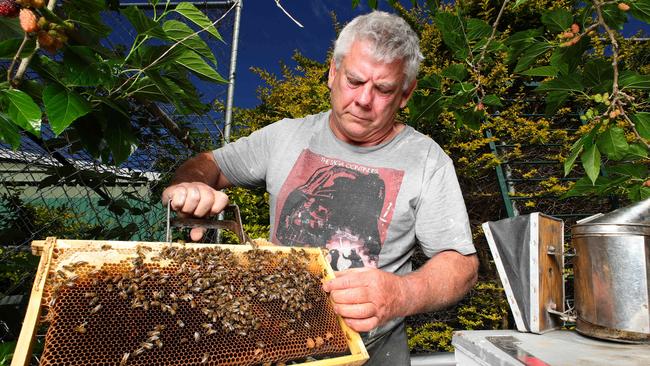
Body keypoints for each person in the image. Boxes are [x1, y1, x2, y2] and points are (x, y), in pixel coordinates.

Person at [162, 10, 478, 365]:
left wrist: (403, 292)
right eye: (354, 81)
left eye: (384, 89)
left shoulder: (427, 160)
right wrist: (192, 185)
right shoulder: (284, 136)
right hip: (275, 343)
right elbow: (209, 164)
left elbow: (460, 265)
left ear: (405, 94)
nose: (363, 100)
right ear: (332, 73)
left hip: (374, 353)